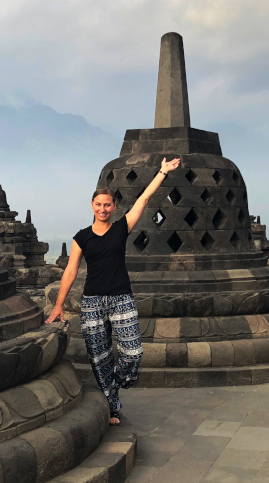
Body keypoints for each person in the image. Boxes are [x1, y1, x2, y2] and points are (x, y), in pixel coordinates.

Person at [46, 157, 181, 425]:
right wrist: (58, 305)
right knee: (99, 356)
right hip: (92, 302)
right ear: (92, 206)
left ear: (114, 206)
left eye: (107, 204)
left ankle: (116, 382)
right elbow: (71, 271)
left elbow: (143, 199)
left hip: (121, 299)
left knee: (133, 353)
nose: (103, 209)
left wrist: (162, 173)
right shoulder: (81, 237)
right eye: (98, 204)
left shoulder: (122, 228)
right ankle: (113, 406)